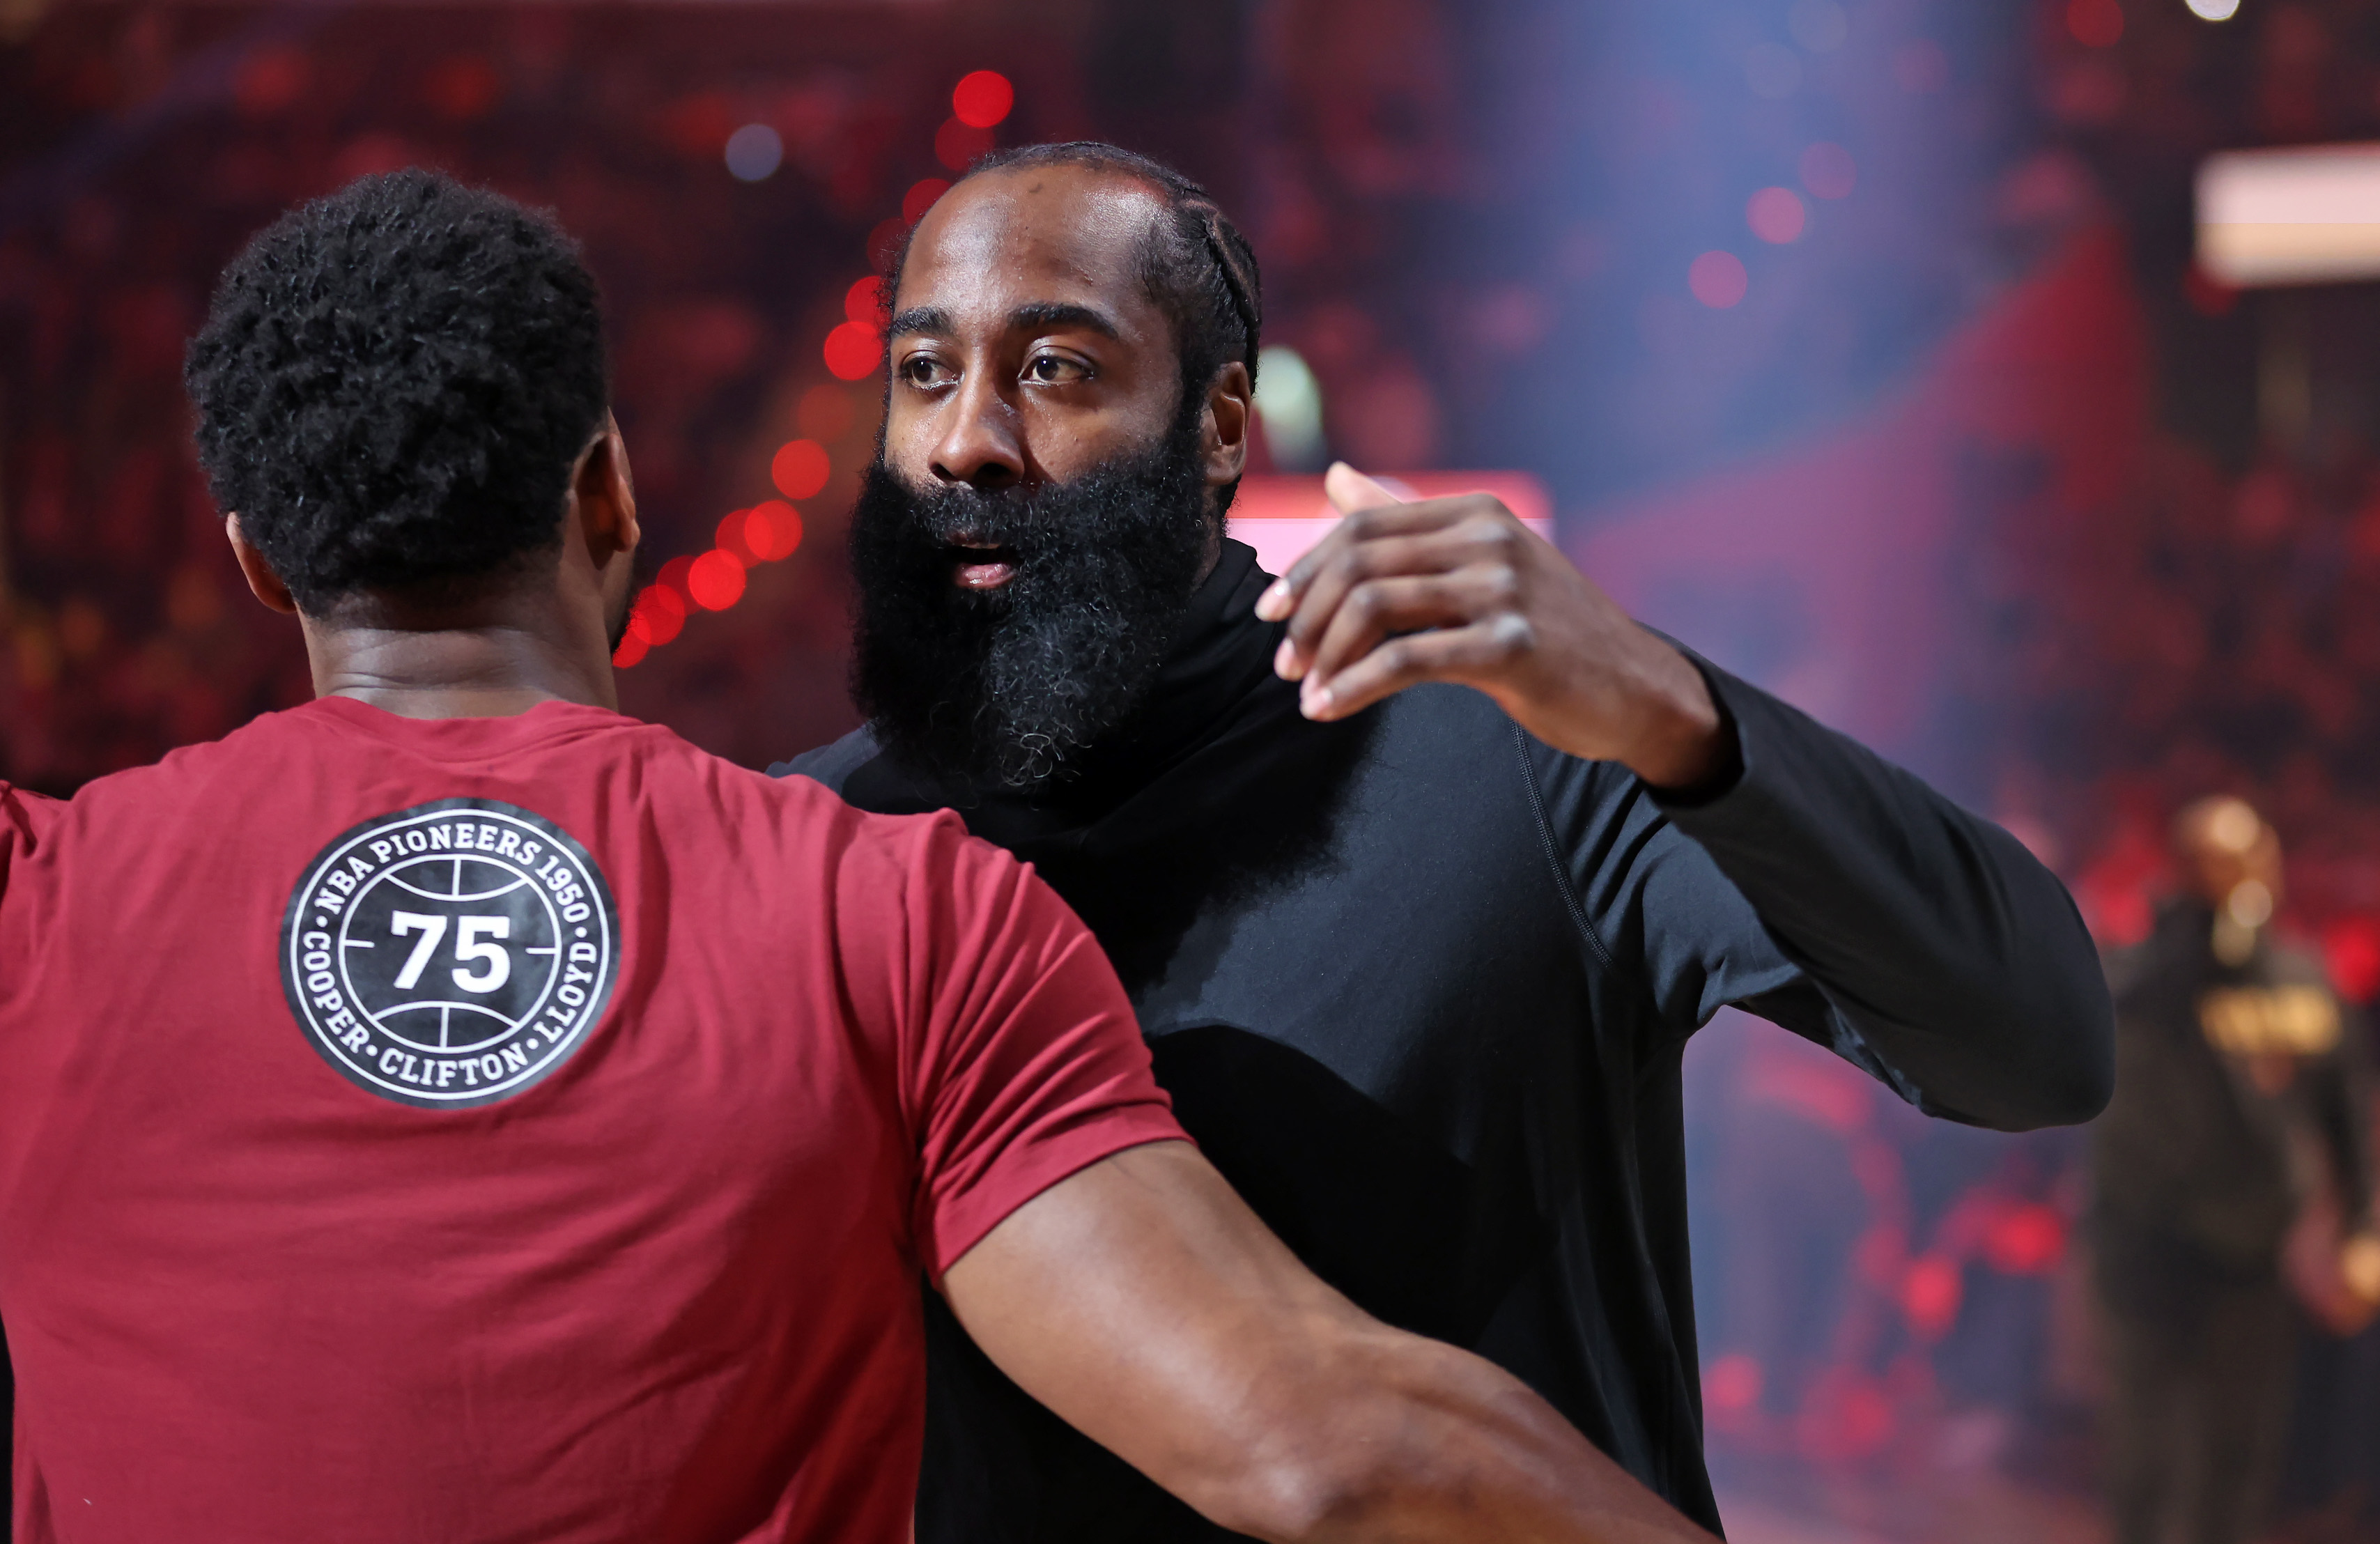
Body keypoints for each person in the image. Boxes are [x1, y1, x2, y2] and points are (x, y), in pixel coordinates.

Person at [0, 168, 1725, 1544]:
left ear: (258, 560)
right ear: (608, 496)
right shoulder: (898, 909)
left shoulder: (34, 899)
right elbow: (1310, 1441)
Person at [774, 141, 2117, 1540]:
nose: (967, 440)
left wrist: (1675, 708)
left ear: (1219, 426)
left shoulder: (1520, 751)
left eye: (1057, 369)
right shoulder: (816, 841)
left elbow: (2038, 1044)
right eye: (923, 371)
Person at [2092, 796, 2380, 1544]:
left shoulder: (2300, 977)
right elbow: (2116, 1086)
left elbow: (2344, 1113)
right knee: (2146, 1451)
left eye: (2248, 860)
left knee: (2237, 1451)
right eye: (2213, 864)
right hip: (2149, 1246)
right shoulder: (2145, 975)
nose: (2237, 879)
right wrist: (2186, 932)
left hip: (2253, 1255)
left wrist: (2362, 1228)